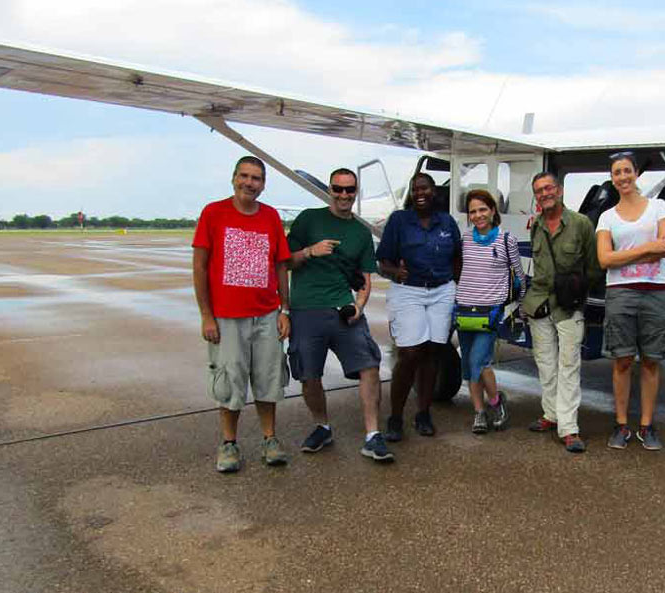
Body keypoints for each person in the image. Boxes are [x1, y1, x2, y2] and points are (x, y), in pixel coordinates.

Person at [192, 156, 292, 473]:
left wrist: (284, 309)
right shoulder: (213, 213)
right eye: (244, 176)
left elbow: (280, 266)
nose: (250, 183)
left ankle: (270, 439)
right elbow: (199, 267)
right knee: (230, 382)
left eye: (257, 178)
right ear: (234, 178)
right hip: (226, 316)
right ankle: (229, 444)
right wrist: (207, 315)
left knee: (268, 380)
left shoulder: (271, 217)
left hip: (265, 315)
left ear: (264, 184)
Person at [286, 168, 391, 462]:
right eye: (338, 189)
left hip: (343, 308)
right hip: (306, 309)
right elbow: (285, 261)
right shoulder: (309, 219)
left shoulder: (359, 232)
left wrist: (359, 305)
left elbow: (365, 277)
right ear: (330, 190)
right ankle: (322, 426)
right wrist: (310, 252)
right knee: (309, 375)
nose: (344, 195)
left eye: (349, 190)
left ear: (355, 192)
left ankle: (372, 435)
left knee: (369, 366)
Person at [595, 152, 665, 450]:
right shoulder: (607, 216)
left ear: (636, 173)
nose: (623, 177)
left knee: (652, 360)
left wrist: (624, 256)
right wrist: (648, 247)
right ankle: (620, 425)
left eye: (627, 171)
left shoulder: (658, 207)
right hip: (621, 293)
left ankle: (646, 425)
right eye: (617, 172)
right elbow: (604, 259)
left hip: (656, 290)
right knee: (623, 360)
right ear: (612, 178)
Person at [376, 173, 462, 441]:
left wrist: (455, 288)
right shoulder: (399, 221)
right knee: (410, 352)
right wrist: (394, 273)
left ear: (433, 191)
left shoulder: (447, 222)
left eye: (423, 188)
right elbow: (383, 262)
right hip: (409, 291)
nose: (419, 193)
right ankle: (395, 417)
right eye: (414, 189)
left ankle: (423, 413)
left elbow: (457, 257)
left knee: (433, 351)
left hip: (442, 291)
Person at [522, 172, 602, 453]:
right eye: (539, 191)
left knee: (569, 365)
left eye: (548, 188)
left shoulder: (581, 224)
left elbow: (594, 267)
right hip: (539, 302)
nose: (544, 194)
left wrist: (578, 290)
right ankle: (550, 414)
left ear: (560, 190)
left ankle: (569, 428)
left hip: (568, 305)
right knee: (545, 362)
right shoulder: (536, 226)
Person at [455, 189, 524, 434]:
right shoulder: (464, 239)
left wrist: (519, 308)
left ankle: (495, 402)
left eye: (482, 209)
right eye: (472, 211)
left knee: (478, 361)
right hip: (464, 311)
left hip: (490, 313)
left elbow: (519, 277)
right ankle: (479, 413)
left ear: (493, 211)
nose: (478, 215)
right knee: (469, 365)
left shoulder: (507, 240)